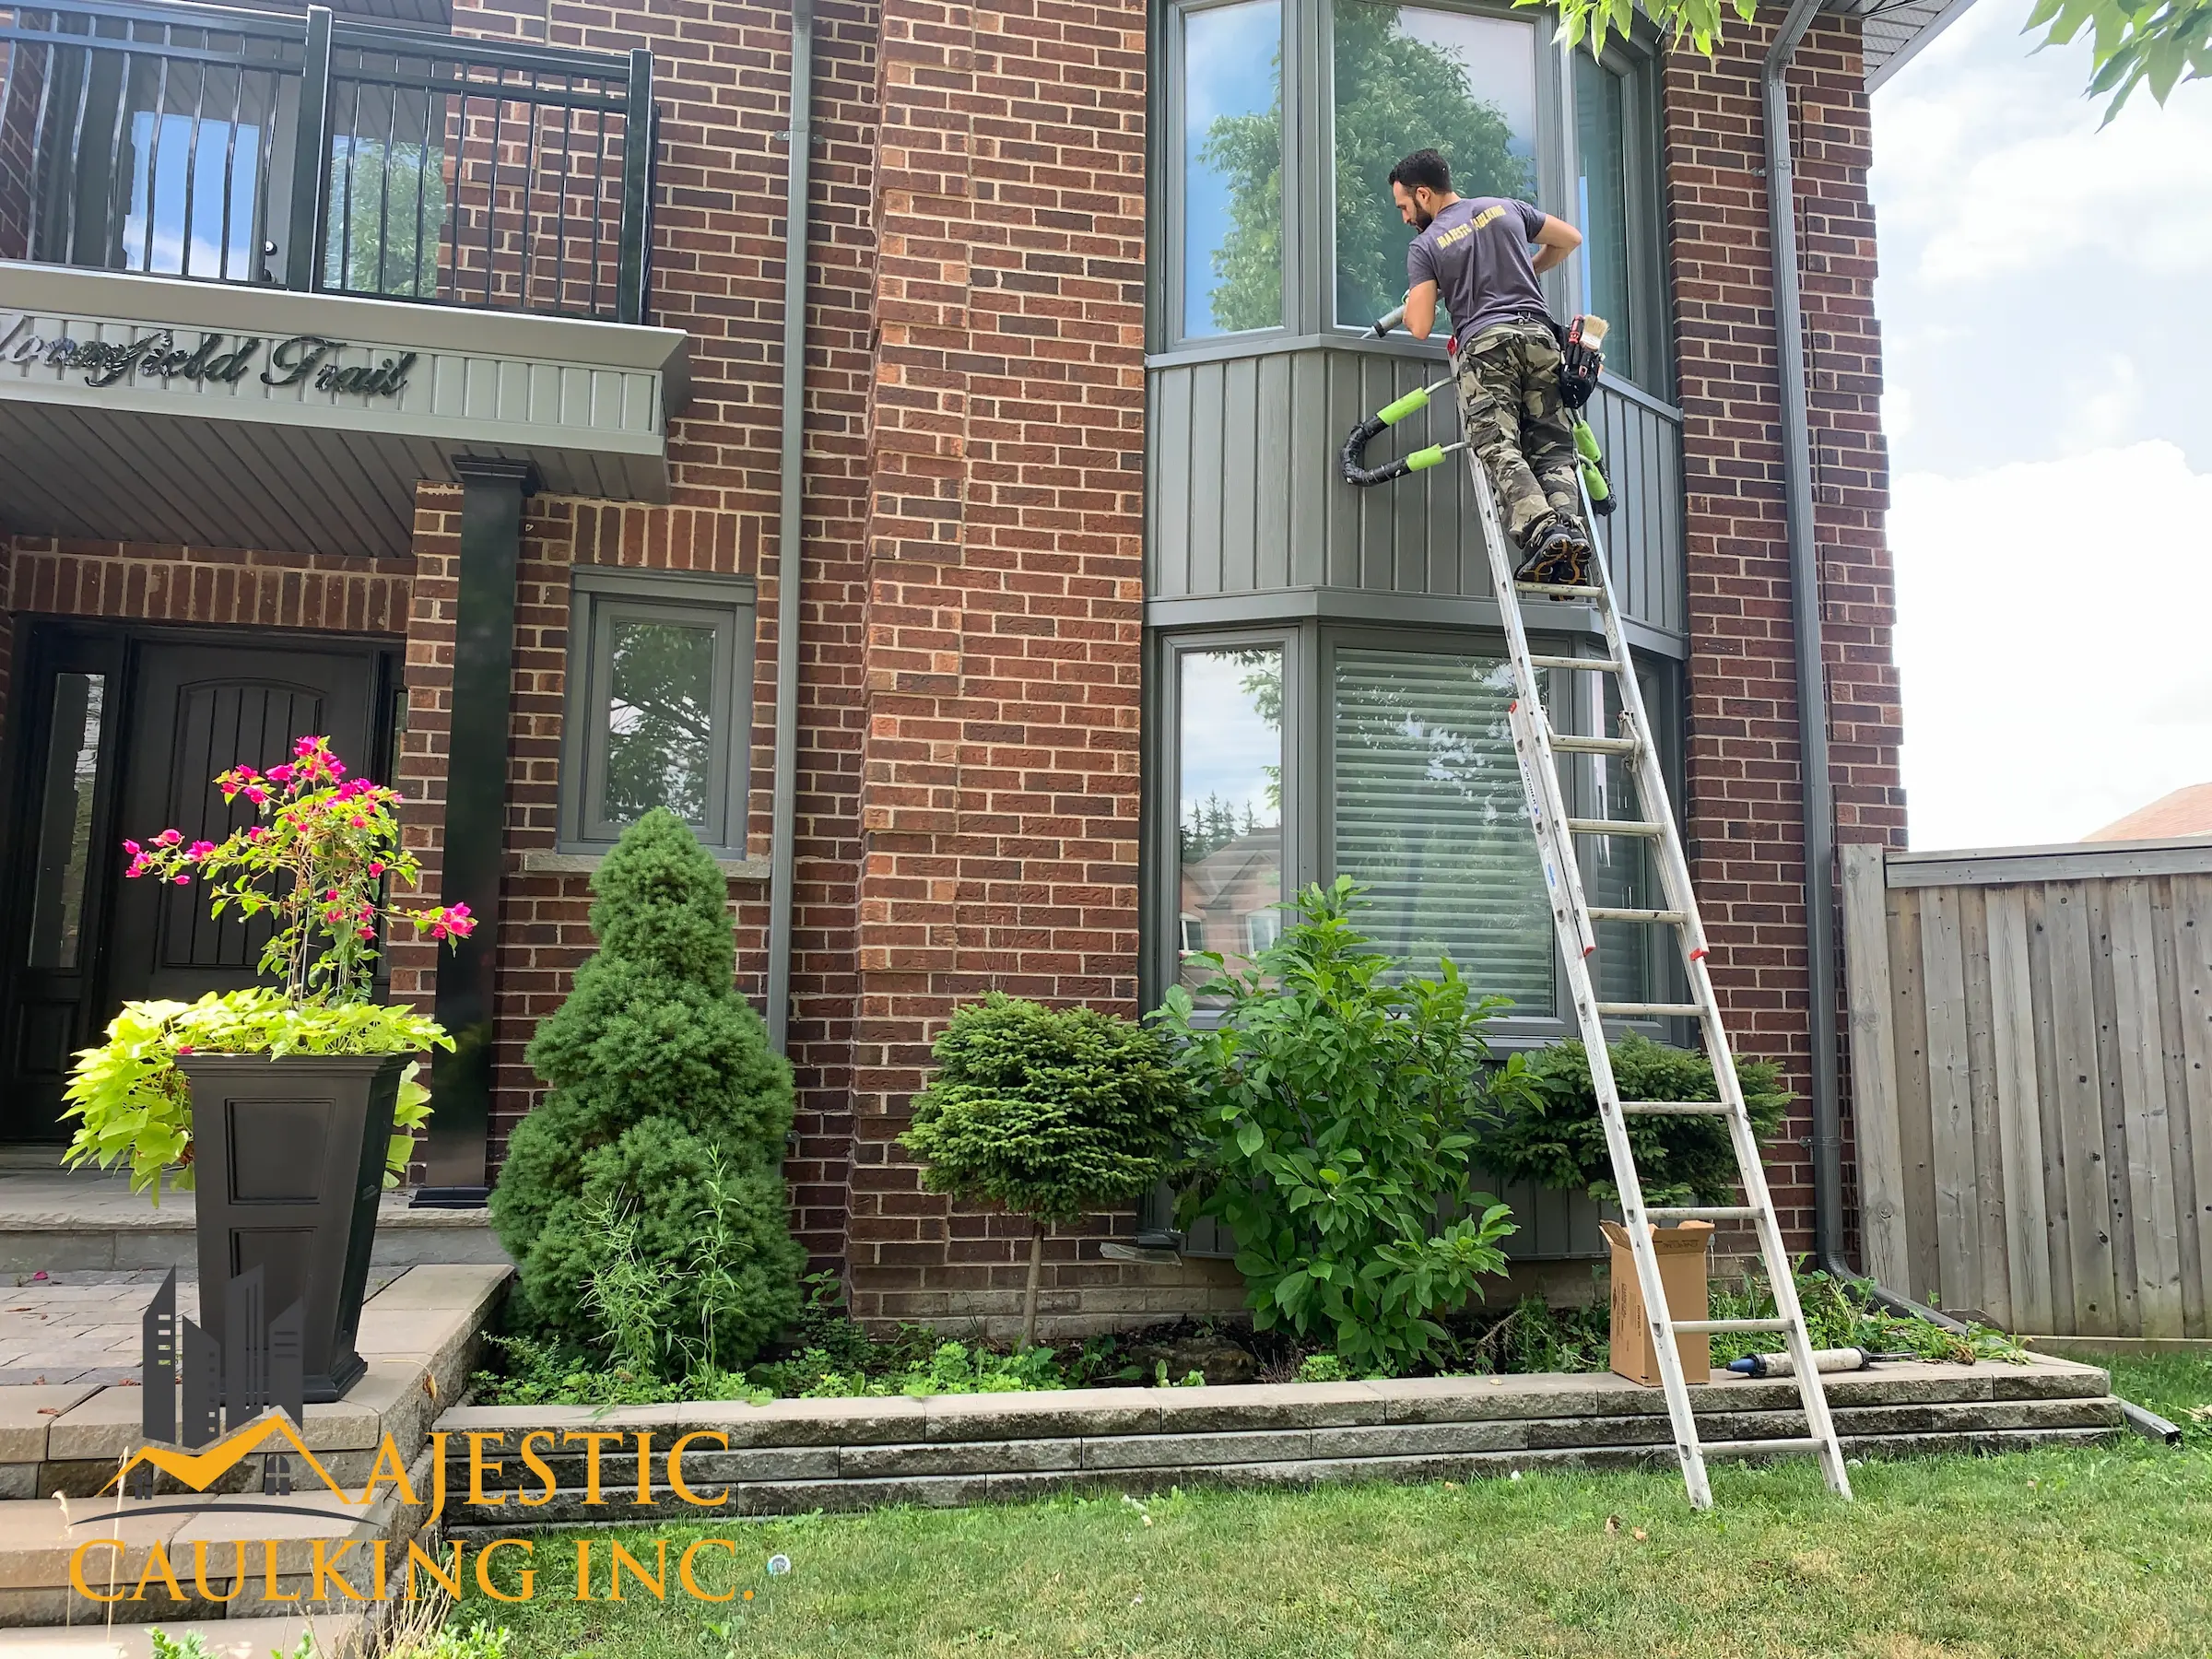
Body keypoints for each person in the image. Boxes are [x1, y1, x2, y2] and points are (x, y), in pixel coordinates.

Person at [1389, 147, 1591, 584]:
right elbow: (1570, 239)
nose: (1405, 216)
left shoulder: (1425, 244)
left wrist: (1413, 304)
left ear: (1423, 194)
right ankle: (1568, 537)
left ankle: (1541, 529)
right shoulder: (1506, 208)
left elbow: (1421, 326)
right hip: (1539, 338)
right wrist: (1528, 271)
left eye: (1404, 206)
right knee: (1554, 447)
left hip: (1487, 346)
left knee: (1498, 444)